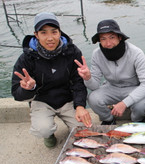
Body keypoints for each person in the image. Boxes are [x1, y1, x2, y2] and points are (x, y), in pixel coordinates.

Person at [11, 12, 92, 148]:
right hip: (41, 100)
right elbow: (16, 94)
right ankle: (49, 135)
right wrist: (29, 88)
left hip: (67, 99)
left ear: (60, 32)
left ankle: (72, 125)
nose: (50, 38)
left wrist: (79, 106)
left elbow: (78, 82)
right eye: (43, 33)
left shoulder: (72, 52)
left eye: (54, 32)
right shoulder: (26, 58)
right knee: (43, 129)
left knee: (85, 129)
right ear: (36, 35)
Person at [75, 19, 145, 125]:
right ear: (99, 41)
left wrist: (124, 103)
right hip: (111, 87)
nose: (108, 43)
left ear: (119, 37)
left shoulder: (136, 53)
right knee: (93, 98)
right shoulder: (96, 54)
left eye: (112, 37)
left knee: (141, 105)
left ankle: (136, 121)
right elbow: (94, 86)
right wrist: (88, 78)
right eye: (103, 39)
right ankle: (108, 119)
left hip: (133, 87)